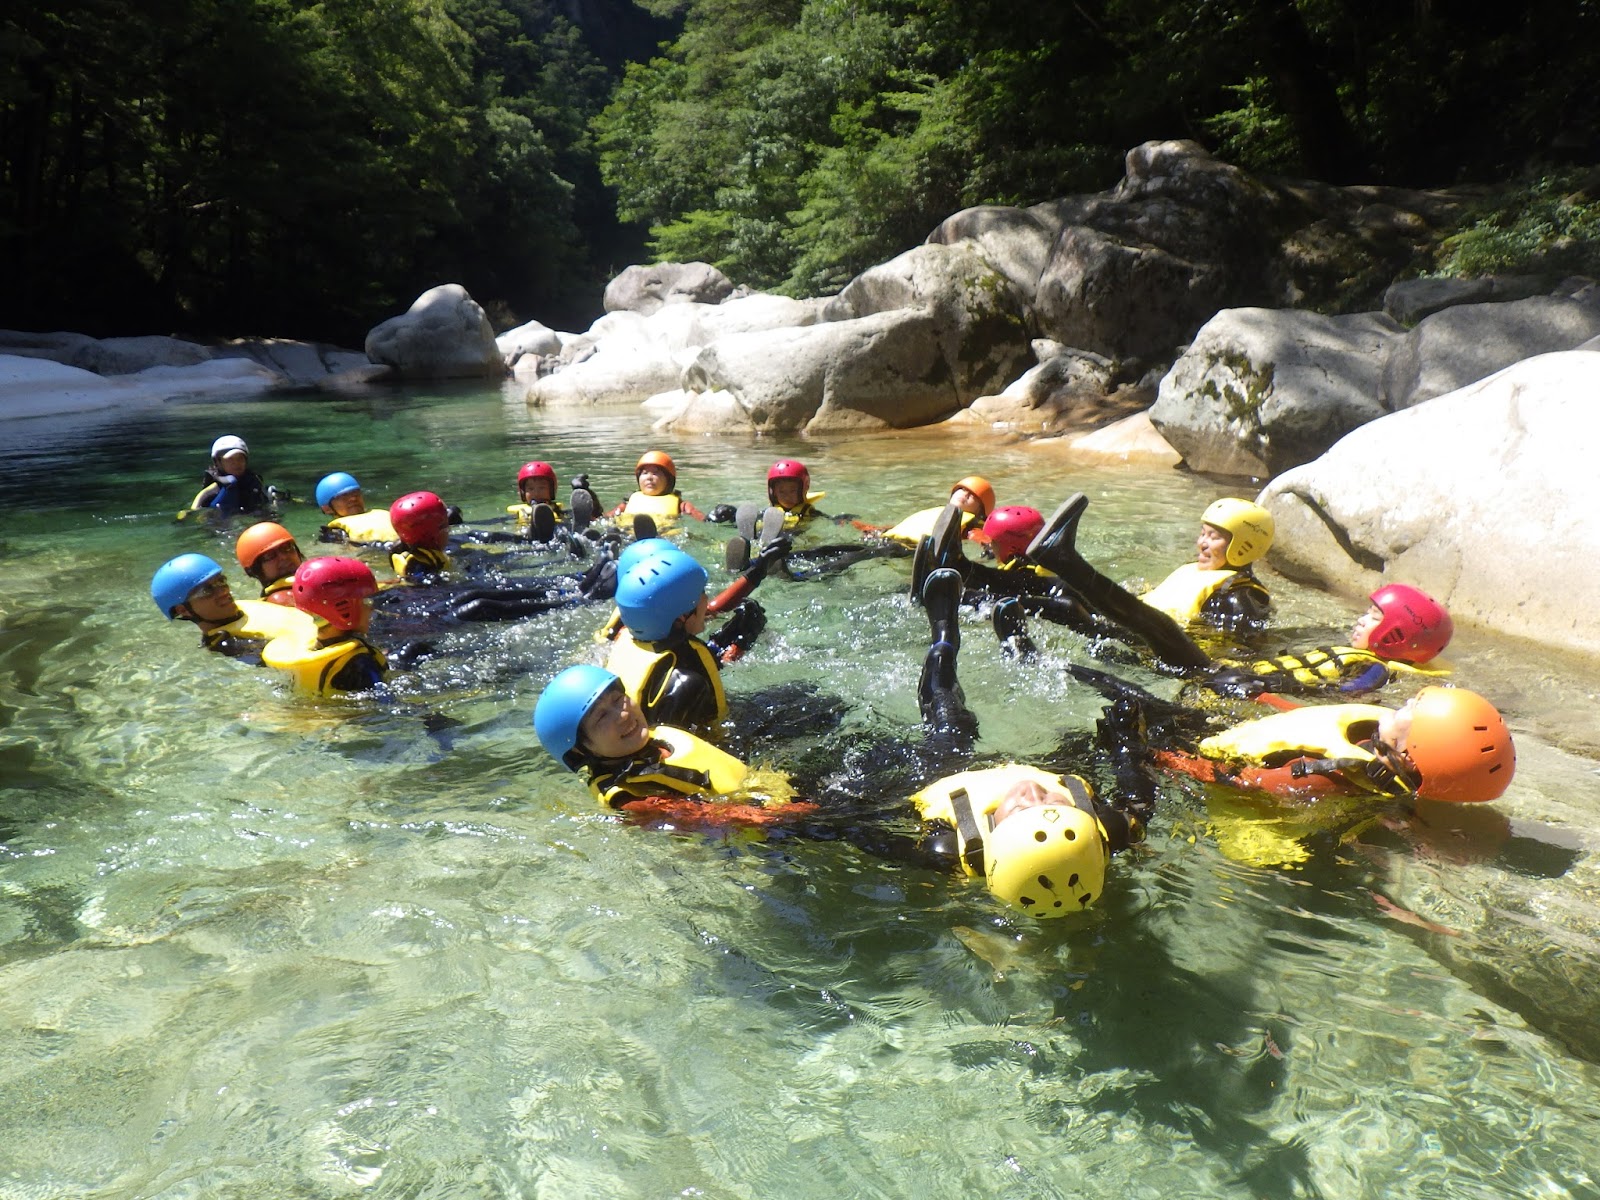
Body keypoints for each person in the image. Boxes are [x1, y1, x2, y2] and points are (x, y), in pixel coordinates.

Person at [534, 568, 1155, 918]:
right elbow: (1136, 799)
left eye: (619, 700)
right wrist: (1130, 745)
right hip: (799, 803)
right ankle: (943, 628)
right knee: (950, 719)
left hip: (851, 800)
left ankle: (943, 631)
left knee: (934, 734)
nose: (624, 713)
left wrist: (800, 817)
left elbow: (854, 831)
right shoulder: (1107, 827)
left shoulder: (949, 849)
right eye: (605, 716)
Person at [604, 544, 773, 732]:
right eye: (701, 594)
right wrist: (738, 647)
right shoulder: (687, 684)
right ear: (681, 617)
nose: (707, 599)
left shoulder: (630, 637)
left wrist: (730, 644)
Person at [1202, 583, 1454, 700]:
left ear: (1396, 635)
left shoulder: (1376, 669)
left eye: (1374, 617)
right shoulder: (1362, 657)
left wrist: (1272, 684)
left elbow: (1348, 692)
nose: (1360, 620)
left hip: (1254, 683)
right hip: (1248, 675)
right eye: (1366, 612)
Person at [150, 552, 313, 659]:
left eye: (221, 581)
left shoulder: (253, 607)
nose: (223, 591)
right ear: (183, 610)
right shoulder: (227, 644)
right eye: (206, 590)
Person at [263, 557, 387, 695]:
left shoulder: (306, 656)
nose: (373, 609)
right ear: (344, 609)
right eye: (367, 601)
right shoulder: (360, 664)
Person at [188, 435, 278, 516]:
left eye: (240, 458)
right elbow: (197, 505)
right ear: (217, 462)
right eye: (230, 459)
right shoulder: (214, 488)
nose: (236, 463)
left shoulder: (254, 481)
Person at [607, 451, 707, 524]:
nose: (649, 478)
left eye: (655, 473)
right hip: (628, 533)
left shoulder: (681, 504)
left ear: (668, 479)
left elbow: (699, 517)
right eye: (645, 473)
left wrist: (712, 518)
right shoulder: (629, 501)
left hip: (664, 536)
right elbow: (606, 518)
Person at [389, 491, 457, 582]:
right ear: (434, 534)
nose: (449, 530)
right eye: (446, 526)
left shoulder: (402, 551)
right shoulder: (420, 567)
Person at [315, 472, 399, 546]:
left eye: (356, 494)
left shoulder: (383, 514)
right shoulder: (335, 534)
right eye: (343, 496)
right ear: (327, 509)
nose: (353, 499)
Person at [235, 521, 305, 605]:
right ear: (253, 570)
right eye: (269, 556)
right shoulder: (279, 601)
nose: (283, 557)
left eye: (287, 548)